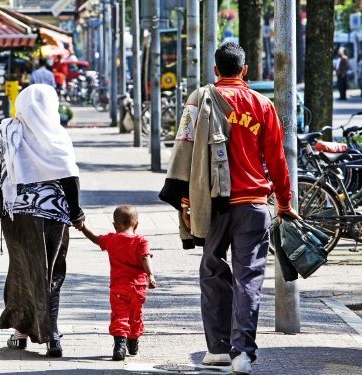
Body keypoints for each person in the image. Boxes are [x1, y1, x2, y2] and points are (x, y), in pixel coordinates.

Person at [159, 42, 298, 374]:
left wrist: (185, 199)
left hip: (213, 204)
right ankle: (243, 353)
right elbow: (278, 160)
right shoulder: (262, 105)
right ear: (245, 70)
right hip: (253, 205)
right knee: (248, 277)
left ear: (216, 70)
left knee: (211, 269)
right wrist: (285, 202)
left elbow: (185, 149)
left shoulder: (199, 99)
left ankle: (218, 348)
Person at [0, 84, 85, 358]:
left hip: (19, 217)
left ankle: (21, 331)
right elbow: (70, 178)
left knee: (23, 272)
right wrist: (76, 213)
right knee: (51, 274)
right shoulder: (57, 134)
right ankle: (52, 337)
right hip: (54, 217)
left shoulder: (7, 130)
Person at [77, 205, 156, 361]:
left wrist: (83, 227)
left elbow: (94, 238)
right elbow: (144, 257)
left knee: (119, 315)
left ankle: (120, 345)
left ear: (114, 225)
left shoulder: (111, 239)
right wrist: (151, 275)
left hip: (119, 287)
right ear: (137, 224)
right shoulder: (141, 240)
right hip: (138, 287)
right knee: (136, 314)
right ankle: (133, 342)